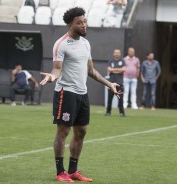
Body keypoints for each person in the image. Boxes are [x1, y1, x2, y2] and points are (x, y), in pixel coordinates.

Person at [40, 7, 121, 183]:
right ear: (70, 25)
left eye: (85, 21)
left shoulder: (85, 43)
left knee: (81, 132)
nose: (84, 25)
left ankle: (73, 171)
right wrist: (52, 76)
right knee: (63, 132)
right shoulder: (61, 44)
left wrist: (109, 84)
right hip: (65, 93)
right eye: (79, 22)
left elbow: (90, 71)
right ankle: (60, 172)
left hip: (82, 94)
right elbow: (57, 69)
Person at [105, 49, 125, 116]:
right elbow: (109, 69)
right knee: (109, 99)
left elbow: (124, 69)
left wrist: (113, 70)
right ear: (113, 53)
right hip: (111, 84)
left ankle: (121, 113)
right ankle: (108, 112)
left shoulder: (122, 61)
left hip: (120, 83)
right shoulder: (111, 61)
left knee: (120, 99)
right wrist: (119, 70)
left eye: (118, 53)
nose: (117, 54)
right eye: (115, 53)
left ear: (120, 54)